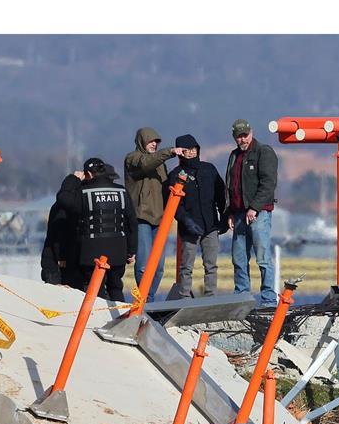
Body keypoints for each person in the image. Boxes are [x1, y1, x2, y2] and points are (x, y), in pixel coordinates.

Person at [53, 158, 136, 301]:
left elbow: (63, 199)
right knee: (115, 287)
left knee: (95, 288)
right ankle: (122, 317)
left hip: (91, 252)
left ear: (89, 174)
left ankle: (100, 318)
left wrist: (72, 178)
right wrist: (131, 250)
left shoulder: (84, 193)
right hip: (118, 250)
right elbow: (131, 223)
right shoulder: (122, 191)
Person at [124, 127, 186, 302]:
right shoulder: (132, 159)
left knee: (158, 267)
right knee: (143, 265)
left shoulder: (160, 164)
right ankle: (143, 300)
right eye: (151, 141)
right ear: (142, 141)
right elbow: (146, 163)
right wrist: (171, 151)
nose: (154, 144)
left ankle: (149, 297)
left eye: (156, 142)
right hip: (141, 218)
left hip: (160, 219)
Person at [225, 119, 279, 307]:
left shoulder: (264, 152)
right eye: (239, 136)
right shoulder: (233, 156)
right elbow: (230, 186)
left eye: (245, 135)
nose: (243, 139)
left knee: (262, 258)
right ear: (234, 137)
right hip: (238, 214)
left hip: (259, 214)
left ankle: (269, 299)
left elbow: (268, 183)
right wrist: (230, 212)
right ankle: (241, 297)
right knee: (239, 258)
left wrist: (254, 208)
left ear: (251, 133)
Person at [166, 134, 227, 298]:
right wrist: (186, 221)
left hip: (211, 226)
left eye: (193, 149)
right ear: (181, 153)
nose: (191, 153)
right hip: (189, 229)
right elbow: (173, 205)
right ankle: (184, 297)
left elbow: (221, 195)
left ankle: (210, 297)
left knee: (211, 265)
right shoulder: (176, 174)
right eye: (187, 150)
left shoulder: (209, 169)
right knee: (186, 266)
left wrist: (223, 218)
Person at [40, 171, 83, 287]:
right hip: (57, 262)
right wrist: (61, 256)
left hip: (55, 259)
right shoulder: (64, 207)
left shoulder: (59, 206)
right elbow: (60, 232)